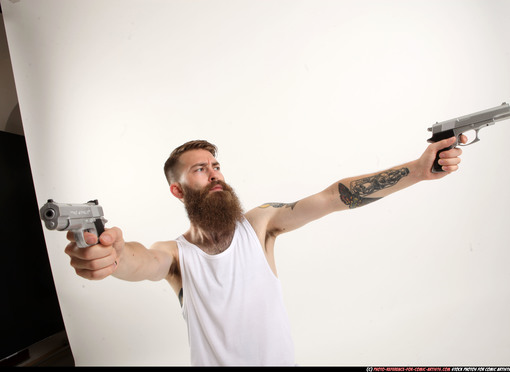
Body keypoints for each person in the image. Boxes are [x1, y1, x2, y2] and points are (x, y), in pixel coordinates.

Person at [64, 136, 466, 366]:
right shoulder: (174, 255)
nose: (215, 172)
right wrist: (111, 254)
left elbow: (332, 197)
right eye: (200, 169)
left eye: (216, 164)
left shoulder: (259, 225)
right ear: (177, 189)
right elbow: (140, 262)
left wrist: (416, 170)